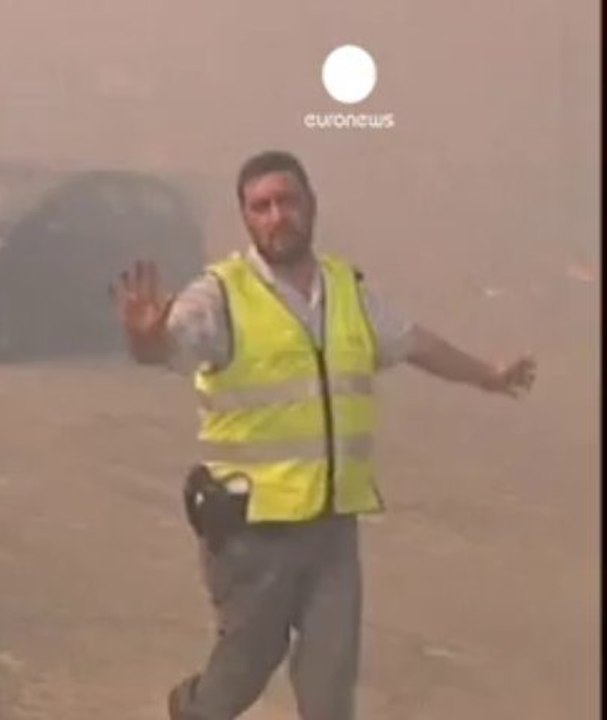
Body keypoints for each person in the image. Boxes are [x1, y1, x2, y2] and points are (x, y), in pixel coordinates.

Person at [110, 150, 536, 720]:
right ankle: (190, 709)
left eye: (286, 201)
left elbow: (414, 343)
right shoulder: (220, 295)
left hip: (333, 525)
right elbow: (170, 346)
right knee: (244, 670)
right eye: (260, 207)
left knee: (330, 685)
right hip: (251, 531)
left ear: (310, 207)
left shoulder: (345, 288)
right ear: (246, 219)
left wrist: (487, 376)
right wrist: (145, 339)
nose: (276, 216)